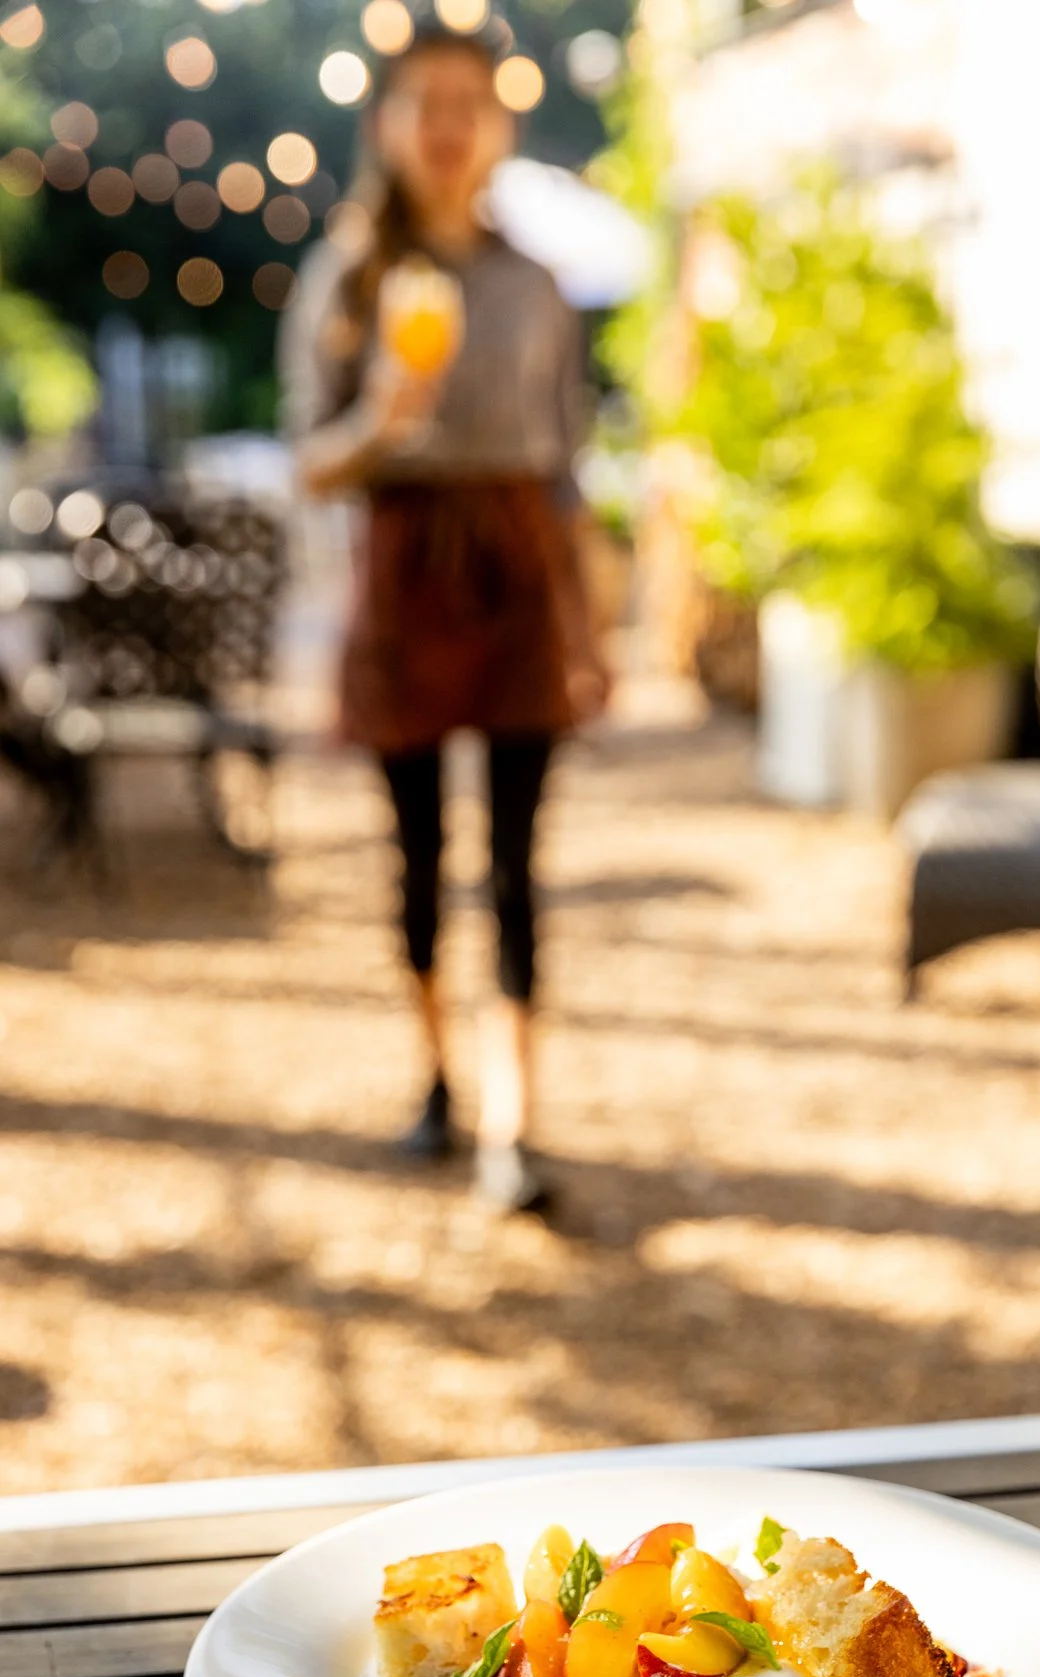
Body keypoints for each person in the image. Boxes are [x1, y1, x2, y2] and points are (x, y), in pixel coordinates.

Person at [287, 14, 605, 1212]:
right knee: (416, 856)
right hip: (403, 562)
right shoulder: (349, 278)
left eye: (467, 103)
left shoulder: (534, 283)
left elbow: (566, 471)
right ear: (387, 125)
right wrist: (379, 413)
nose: (447, 126)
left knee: (516, 863)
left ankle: (513, 1121)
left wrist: (588, 628)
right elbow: (305, 460)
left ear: (497, 126)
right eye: (425, 103)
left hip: (517, 562)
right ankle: (438, 1077)